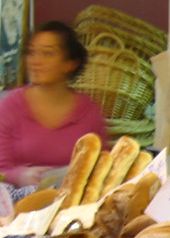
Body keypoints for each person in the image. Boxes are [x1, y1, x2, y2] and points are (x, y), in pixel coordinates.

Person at [0, 21, 106, 188]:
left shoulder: (89, 111)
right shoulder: (10, 106)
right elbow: (2, 169)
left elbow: (101, 166)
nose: (36, 61)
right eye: (31, 52)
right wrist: (20, 176)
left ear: (70, 63)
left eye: (47, 53)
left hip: (74, 200)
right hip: (18, 200)